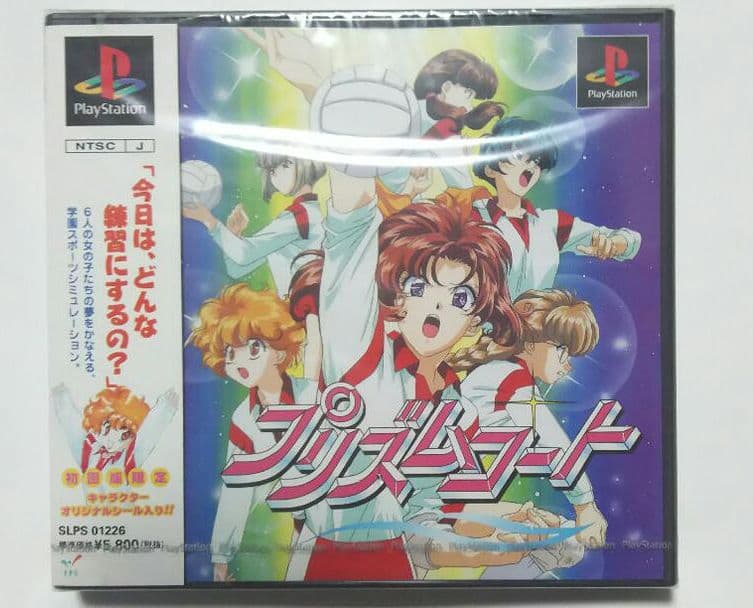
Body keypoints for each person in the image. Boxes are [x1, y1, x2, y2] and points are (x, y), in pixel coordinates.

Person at [450, 289, 608, 551]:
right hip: (445, 489)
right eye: (561, 350)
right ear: (532, 344)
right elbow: (555, 446)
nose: (567, 365)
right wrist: (585, 506)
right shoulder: (512, 379)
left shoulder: (503, 372)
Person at [188, 284, 317, 582]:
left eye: (254, 347)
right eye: (230, 352)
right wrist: (221, 556)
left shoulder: (313, 395)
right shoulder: (244, 418)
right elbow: (237, 488)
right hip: (305, 528)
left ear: (279, 351)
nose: (240, 361)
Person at [437, 117, 642, 299]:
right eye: (519, 155)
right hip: (484, 326)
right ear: (490, 168)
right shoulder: (473, 216)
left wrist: (612, 244)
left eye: (536, 161)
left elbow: (631, 241)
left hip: (537, 326)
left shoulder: (551, 223)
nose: (530, 167)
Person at [182, 153, 326, 299]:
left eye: (285, 165)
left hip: (302, 307)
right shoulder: (305, 213)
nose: (275, 174)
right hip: (298, 306)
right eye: (271, 170)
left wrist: (210, 222)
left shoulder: (299, 216)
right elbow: (237, 270)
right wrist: (235, 235)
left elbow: (244, 255)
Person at [52, 383, 177, 478]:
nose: (111, 442)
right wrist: (62, 398)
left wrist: (166, 407)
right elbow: (72, 427)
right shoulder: (89, 450)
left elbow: (148, 434)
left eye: (123, 437)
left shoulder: (129, 458)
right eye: (106, 431)